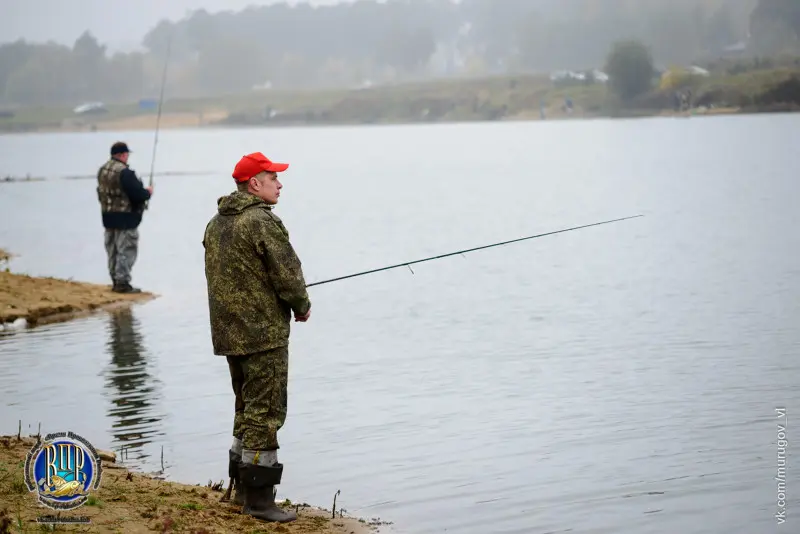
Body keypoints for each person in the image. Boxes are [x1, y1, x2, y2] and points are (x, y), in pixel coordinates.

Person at [202, 152, 312, 523]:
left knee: (245, 410)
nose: (279, 184)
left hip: (229, 335)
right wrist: (301, 304)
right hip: (263, 335)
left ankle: (240, 492)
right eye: (272, 178)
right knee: (265, 414)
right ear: (254, 184)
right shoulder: (261, 222)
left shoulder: (215, 224)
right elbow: (288, 274)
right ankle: (261, 501)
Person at [96, 141, 153, 293]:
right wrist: (148, 192)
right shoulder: (125, 173)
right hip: (126, 219)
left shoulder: (102, 170)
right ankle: (122, 283)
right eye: (127, 154)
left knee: (112, 250)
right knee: (126, 250)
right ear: (122, 154)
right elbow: (137, 194)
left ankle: (115, 280)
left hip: (107, 217)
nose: (127, 157)